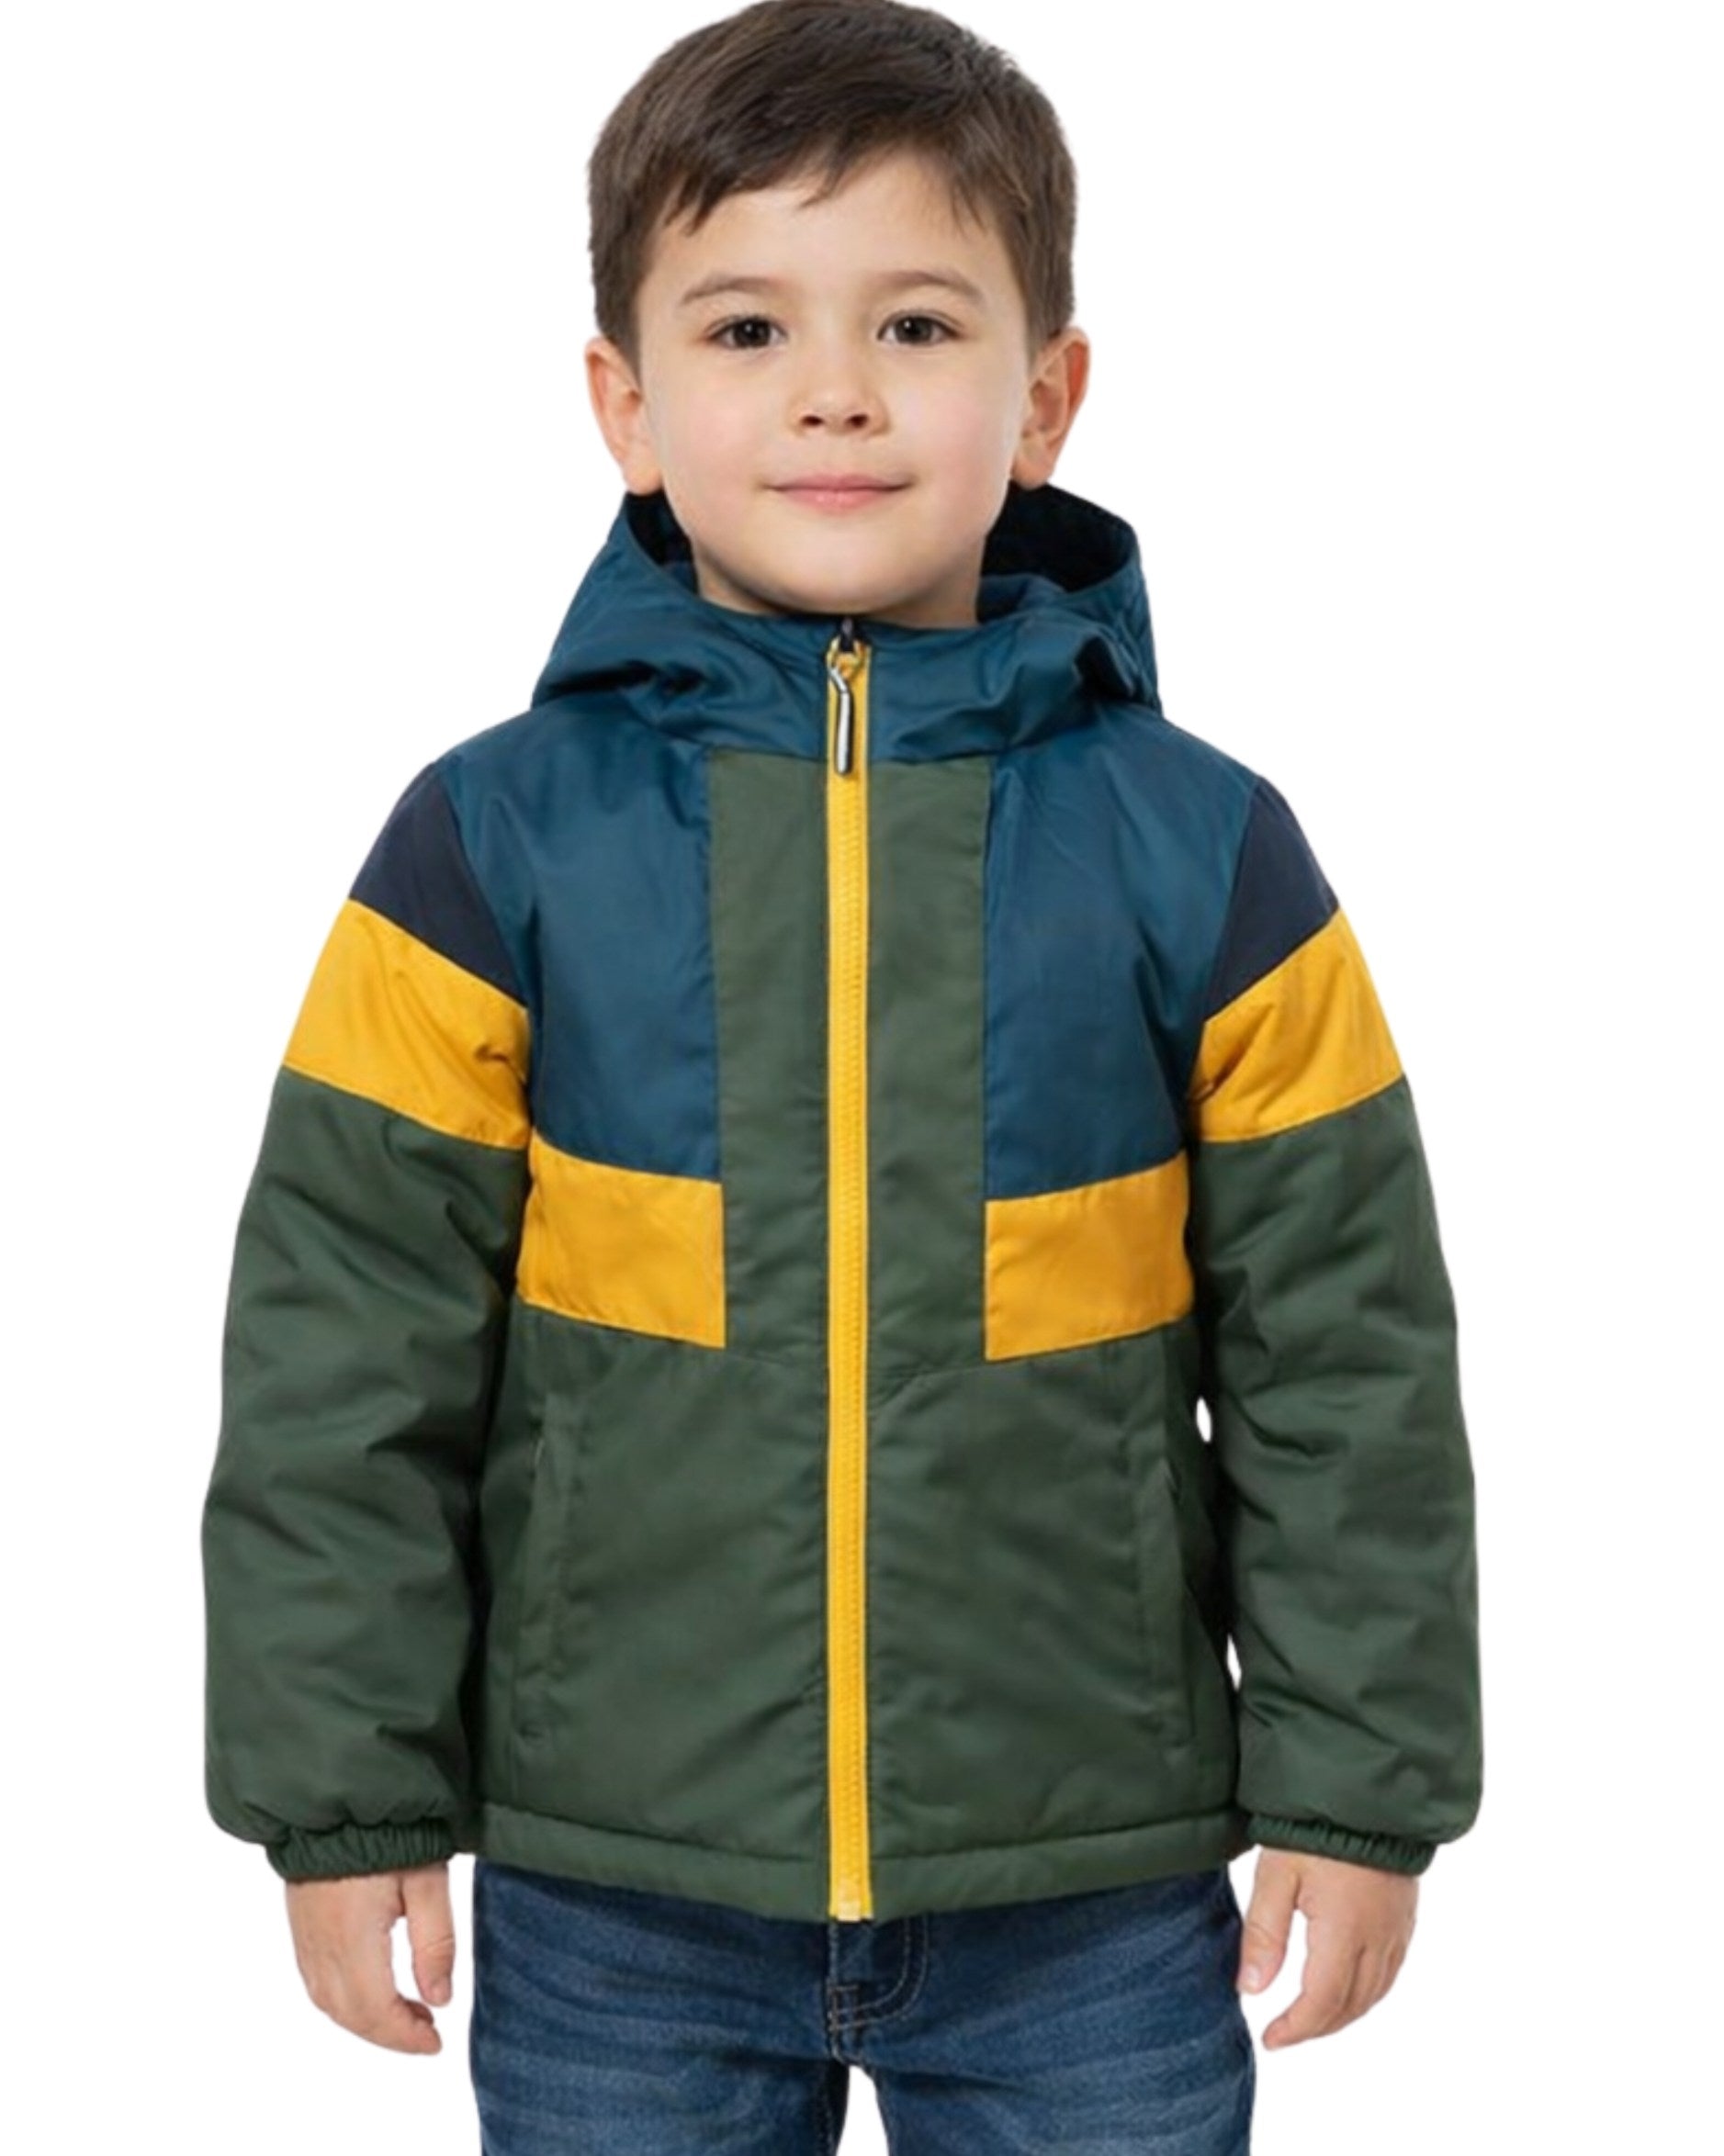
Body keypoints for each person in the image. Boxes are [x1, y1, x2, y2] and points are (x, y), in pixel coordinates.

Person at [200, 3, 1483, 2149]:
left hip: (1090, 1888)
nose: (833, 391)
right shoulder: (490, 843)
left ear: (1046, 394)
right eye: (743, 328)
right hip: (620, 1889)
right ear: (623, 404)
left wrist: (1363, 1792)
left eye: (914, 321)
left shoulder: (1208, 850)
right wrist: (345, 1802)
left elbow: (1346, 1358)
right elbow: (344, 1346)